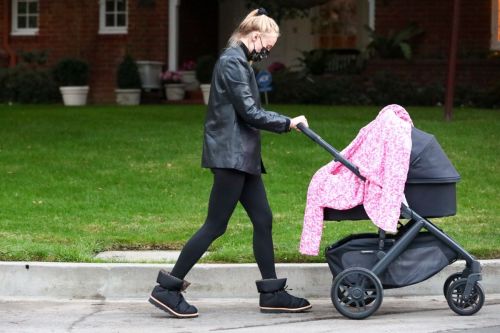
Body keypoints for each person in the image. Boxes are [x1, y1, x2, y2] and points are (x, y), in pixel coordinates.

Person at [148, 8, 311, 318]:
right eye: (268, 45)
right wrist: (287, 122)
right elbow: (250, 112)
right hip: (231, 156)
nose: (267, 51)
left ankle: (272, 293)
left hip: (242, 156)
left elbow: (245, 112)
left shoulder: (237, 60)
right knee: (215, 225)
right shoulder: (232, 63)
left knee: (262, 219)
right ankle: (167, 289)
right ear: (255, 36)